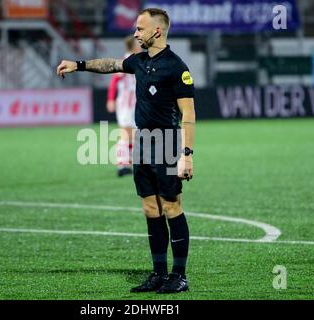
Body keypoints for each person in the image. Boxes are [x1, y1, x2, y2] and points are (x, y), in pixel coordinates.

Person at [56, 7, 195, 294]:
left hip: (168, 142)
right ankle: (158, 273)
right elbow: (111, 64)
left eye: (140, 29)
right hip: (143, 143)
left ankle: (179, 276)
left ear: (157, 31)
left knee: (171, 207)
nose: (135, 33)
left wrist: (187, 154)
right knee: (149, 208)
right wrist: (79, 64)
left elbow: (189, 115)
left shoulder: (177, 68)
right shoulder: (139, 62)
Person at [106, 36, 142, 177]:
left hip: (135, 103)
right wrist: (111, 99)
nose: (140, 45)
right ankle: (122, 165)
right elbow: (115, 79)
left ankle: (128, 163)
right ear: (132, 46)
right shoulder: (127, 61)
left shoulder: (138, 60)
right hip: (126, 103)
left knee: (133, 133)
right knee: (126, 133)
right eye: (138, 44)